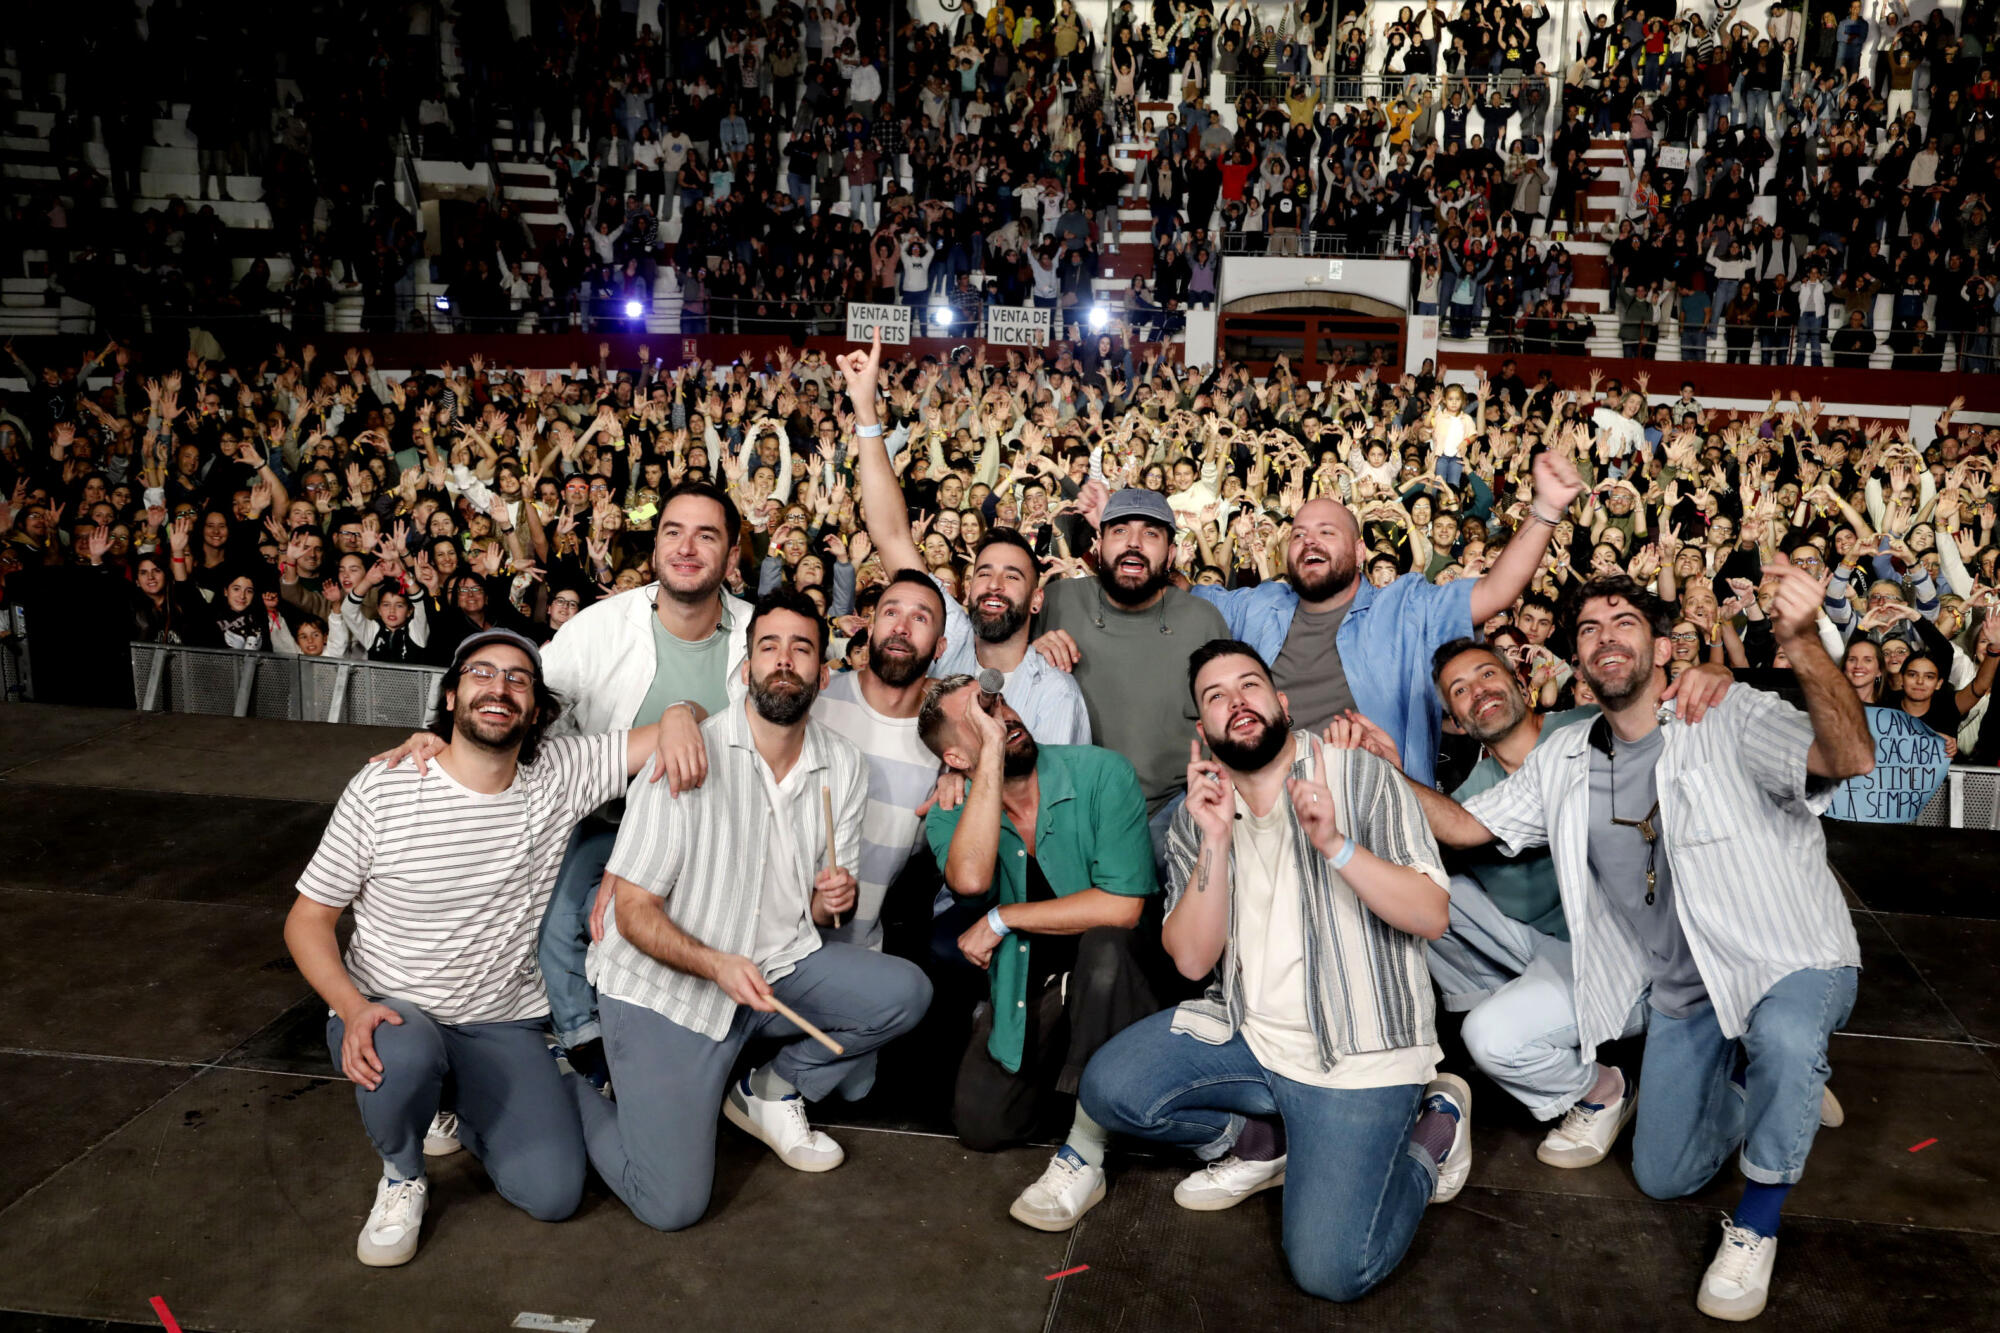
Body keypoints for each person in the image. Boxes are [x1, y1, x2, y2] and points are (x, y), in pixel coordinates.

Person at [1378, 569, 1875, 1321]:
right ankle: (1769, 1086)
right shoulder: (1565, 757)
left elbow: (1850, 757)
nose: (1605, 637)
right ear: (1577, 660)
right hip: (1682, 989)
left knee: (1784, 1032)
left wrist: (1801, 641)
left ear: (1664, 647)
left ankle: (1758, 1221)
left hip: (1784, 955)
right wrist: (1377, 773)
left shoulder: (1727, 711)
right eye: (1589, 629)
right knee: (1662, 1175)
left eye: (1623, 623)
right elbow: (1469, 827)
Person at [1080, 639, 1466, 1304]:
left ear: (1281, 702)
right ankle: (1264, 1139)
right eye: (1216, 695)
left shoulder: (1360, 777)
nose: (1237, 701)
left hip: (1359, 1055)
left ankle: (1434, 1133)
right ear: (1203, 728)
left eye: (1249, 684)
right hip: (1252, 1039)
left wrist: (1335, 845)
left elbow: (1432, 914)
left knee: (1330, 1270)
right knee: (1110, 1089)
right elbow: (1192, 959)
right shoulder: (1201, 811)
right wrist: (1215, 842)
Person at [283, 628, 670, 1267]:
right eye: (481, 673)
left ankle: (459, 1102)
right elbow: (307, 919)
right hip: (393, 1011)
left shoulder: (558, 774)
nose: (499, 687)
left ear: (537, 710)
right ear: (451, 695)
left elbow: (682, 724)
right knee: (404, 1051)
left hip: (501, 1020)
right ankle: (402, 1173)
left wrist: (681, 716)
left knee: (554, 1193)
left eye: (518, 678)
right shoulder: (385, 786)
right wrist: (351, 1009)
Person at [574, 589, 934, 1232]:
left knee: (905, 993)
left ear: (824, 674)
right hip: (669, 990)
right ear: (746, 668)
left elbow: (820, 916)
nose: (784, 660)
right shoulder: (689, 753)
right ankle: (565, 1086)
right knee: (671, 1205)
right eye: (769, 647)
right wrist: (715, 964)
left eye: (801, 648)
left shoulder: (842, 764)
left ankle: (765, 1088)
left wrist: (833, 901)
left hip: (773, 972)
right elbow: (633, 912)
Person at [372, 481, 753, 1089]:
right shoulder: (601, 627)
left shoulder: (759, 636)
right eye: (673, 532)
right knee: (561, 925)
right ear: (655, 545)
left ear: (731, 554)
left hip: (715, 829)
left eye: (705, 535)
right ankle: (585, 1050)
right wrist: (445, 736)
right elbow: (516, 697)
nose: (686, 548)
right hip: (607, 820)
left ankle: (715, 1060)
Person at [1365, 639, 1734, 1170]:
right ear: (1456, 721)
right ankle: (1525, 1026)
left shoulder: (1588, 726)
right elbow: (1424, 851)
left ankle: (1605, 1087)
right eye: (1459, 691)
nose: (1478, 692)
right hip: (1552, 948)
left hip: (1637, 951)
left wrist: (1715, 675)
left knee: (1493, 1038)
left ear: (1520, 681)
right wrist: (1388, 772)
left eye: (1486, 674)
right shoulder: (1469, 797)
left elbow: (1666, 706)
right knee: (1434, 891)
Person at [917, 672, 1160, 1231]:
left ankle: (1085, 1149)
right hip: (1036, 980)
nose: (1002, 719)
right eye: (979, 720)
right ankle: (1077, 1070)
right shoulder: (950, 809)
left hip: (1124, 972)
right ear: (955, 757)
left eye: (998, 705)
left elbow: (1123, 907)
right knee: (982, 1125)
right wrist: (985, 766)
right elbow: (971, 880)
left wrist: (1004, 918)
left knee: (1104, 950)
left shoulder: (1101, 772)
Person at [1188, 450, 1584, 780]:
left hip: (1375, 810)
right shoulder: (1260, 603)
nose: (1309, 541)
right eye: (1299, 534)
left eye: (1327, 532)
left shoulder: (1404, 606)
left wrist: (1547, 508)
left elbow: (1495, 590)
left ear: (1360, 552)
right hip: (1269, 805)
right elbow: (1183, 595)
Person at [841, 330, 1089, 745]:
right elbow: (891, 534)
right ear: (969, 587)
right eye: (984, 573)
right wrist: (866, 412)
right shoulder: (948, 634)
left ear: (1037, 599)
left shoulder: (1055, 692)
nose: (994, 584)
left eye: (1012, 576)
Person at [1031, 486, 1230, 861]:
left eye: (1150, 533)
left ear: (1170, 554)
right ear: (1099, 543)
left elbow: (1226, 721)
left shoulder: (1203, 620)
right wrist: (1030, 654)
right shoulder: (1058, 602)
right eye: (1120, 530)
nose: (1133, 543)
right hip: (1066, 810)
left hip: (1172, 812)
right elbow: (999, 671)